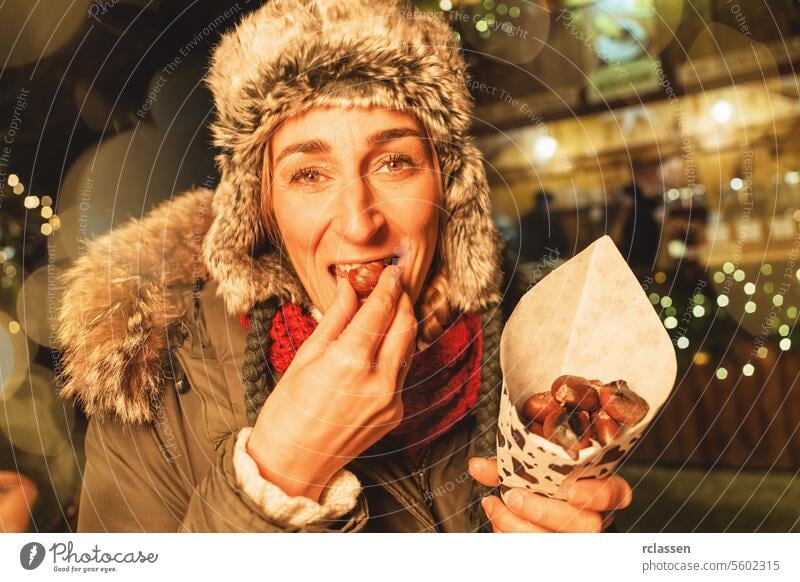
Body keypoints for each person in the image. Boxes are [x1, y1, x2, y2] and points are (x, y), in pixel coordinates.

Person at [57, 0, 632, 532]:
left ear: (450, 186)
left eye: (395, 163)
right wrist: (279, 473)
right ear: (262, 207)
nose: (360, 224)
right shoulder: (153, 380)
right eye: (309, 174)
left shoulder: (547, 356)